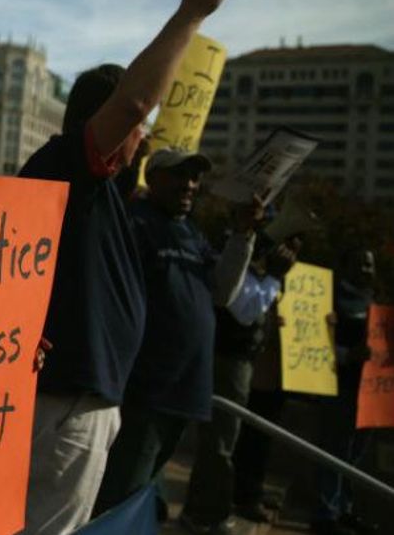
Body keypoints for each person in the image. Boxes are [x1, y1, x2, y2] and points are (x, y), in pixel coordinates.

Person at [17, 0, 227, 534]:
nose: (143, 135)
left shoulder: (102, 192)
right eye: (137, 127)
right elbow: (134, 103)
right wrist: (192, 13)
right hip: (66, 405)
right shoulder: (70, 168)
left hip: (84, 402)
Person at [91, 148, 260, 518]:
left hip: (184, 391)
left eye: (195, 178)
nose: (189, 185)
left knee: (138, 496)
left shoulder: (191, 232)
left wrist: (243, 235)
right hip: (145, 390)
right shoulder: (134, 223)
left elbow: (222, 292)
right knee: (120, 497)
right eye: (179, 175)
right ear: (152, 179)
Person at [181, 229, 304, 534]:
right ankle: (207, 514)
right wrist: (274, 276)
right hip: (228, 362)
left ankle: (200, 509)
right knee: (220, 443)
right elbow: (246, 311)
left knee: (222, 442)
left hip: (239, 362)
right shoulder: (235, 265)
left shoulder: (252, 269)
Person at [309, 248, 379, 535]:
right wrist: (349, 355)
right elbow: (315, 342)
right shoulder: (331, 297)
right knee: (334, 450)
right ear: (347, 265)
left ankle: (344, 509)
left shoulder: (373, 299)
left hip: (370, 392)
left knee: (355, 455)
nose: (366, 270)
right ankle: (325, 513)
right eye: (361, 263)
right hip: (339, 385)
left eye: (370, 265)